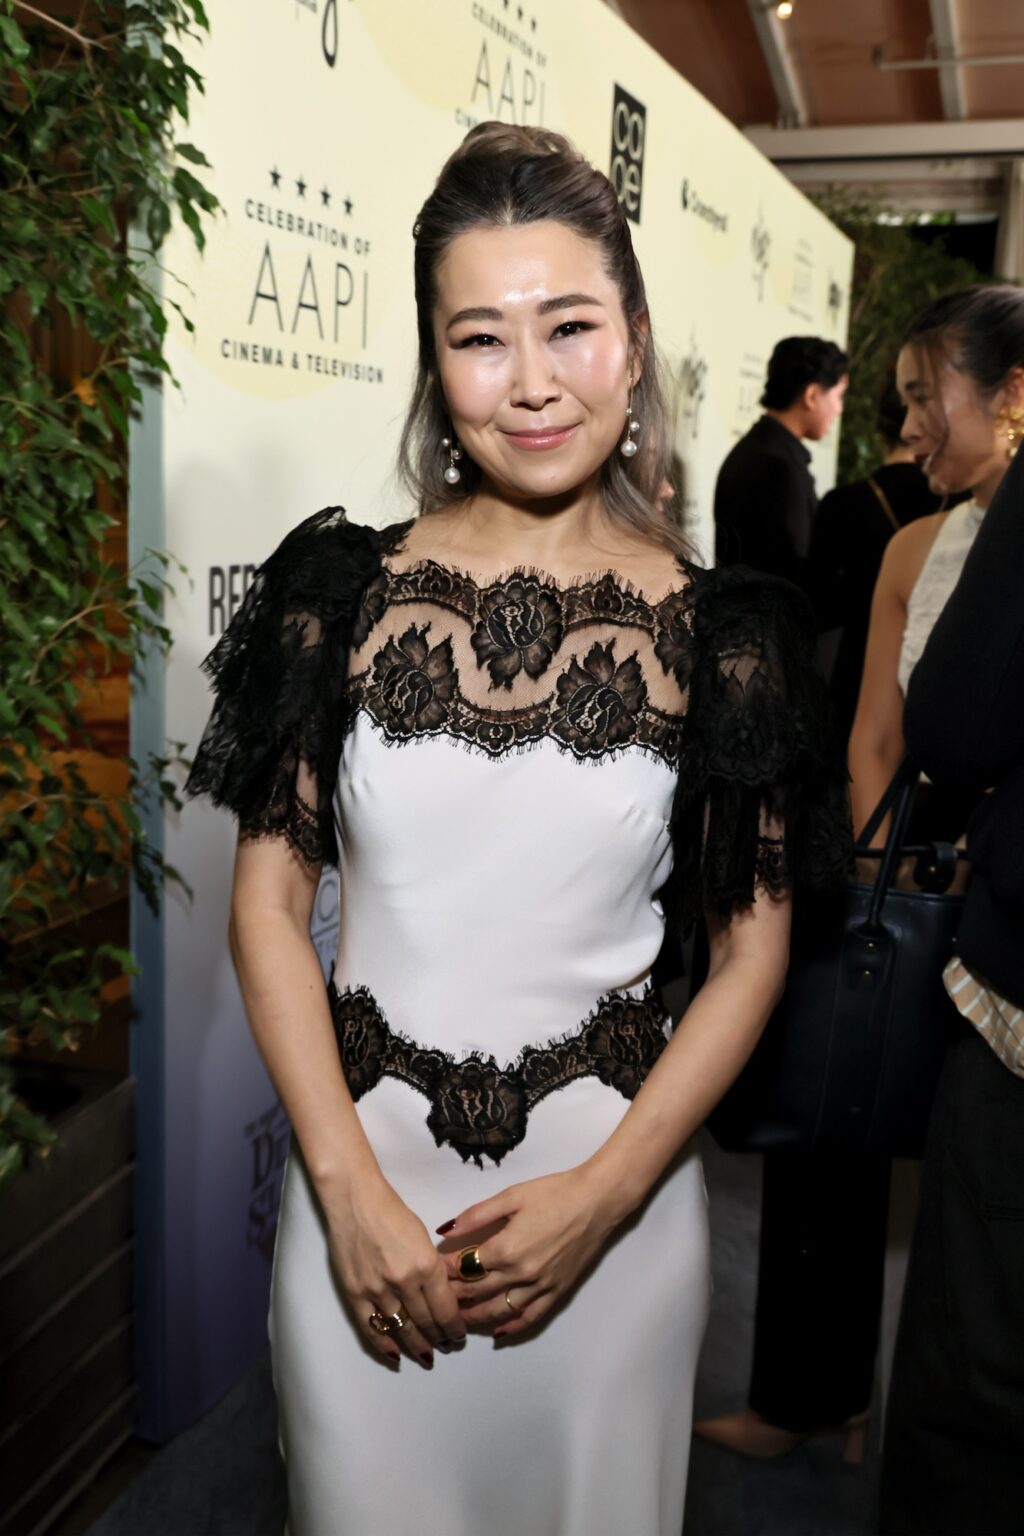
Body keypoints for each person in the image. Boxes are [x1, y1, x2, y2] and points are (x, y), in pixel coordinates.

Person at [184, 123, 849, 1536]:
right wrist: (348, 1194)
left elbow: (751, 958)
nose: (533, 383)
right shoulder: (335, 595)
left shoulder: (727, 634)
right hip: (360, 1207)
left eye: (570, 326)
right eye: (481, 337)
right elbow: (263, 908)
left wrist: (604, 1199)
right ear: (435, 360)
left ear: (637, 336)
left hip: (611, 1223)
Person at [878, 287, 1024, 1536]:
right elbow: (882, 741)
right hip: (928, 921)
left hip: (1007, 981)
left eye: (929, 395)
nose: (909, 428)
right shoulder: (909, 544)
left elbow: (949, 726)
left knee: (975, 1367)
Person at [808, 381, 950, 742]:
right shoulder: (955, 503)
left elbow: (817, 603)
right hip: (937, 666)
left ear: (879, 426)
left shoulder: (842, 503)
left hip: (855, 668)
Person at [714, 335, 848, 589]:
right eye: (839, 396)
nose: (840, 409)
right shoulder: (780, 468)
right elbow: (794, 578)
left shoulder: (757, 450)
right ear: (812, 395)